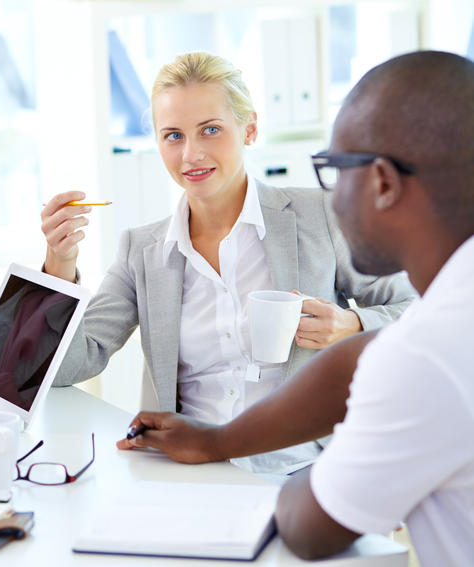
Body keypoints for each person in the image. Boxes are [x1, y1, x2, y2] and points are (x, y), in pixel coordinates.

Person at [118, 50, 474, 565]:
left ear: (381, 183)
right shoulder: (443, 328)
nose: (329, 197)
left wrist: (260, 470)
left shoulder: (423, 360)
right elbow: (387, 348)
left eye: (331, 169)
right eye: (172, 134)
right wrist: (219, 442)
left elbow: (310, 529)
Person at [40, 51, 417, 477]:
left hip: (309, 466)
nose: (191, 155)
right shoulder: (141, 250)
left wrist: (353, 326)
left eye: (211, 130)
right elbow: (69, 367)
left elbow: (419, 311)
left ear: (250, 128)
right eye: (173, 136)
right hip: (192, 471)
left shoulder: (321, 216)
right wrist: (60, 264)